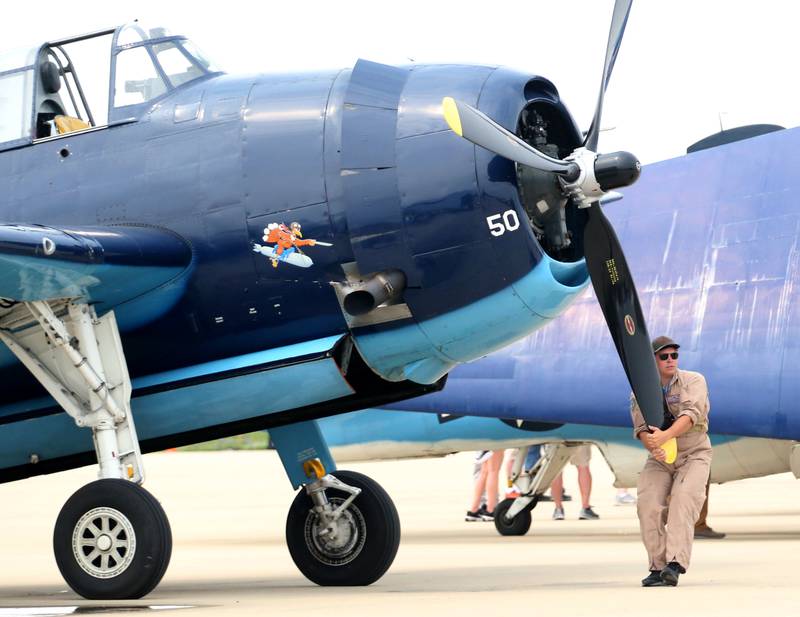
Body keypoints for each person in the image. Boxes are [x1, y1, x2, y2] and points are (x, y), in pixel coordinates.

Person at [632, 335, 712, 587]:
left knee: (683, 499)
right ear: (652, 360)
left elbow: (691, 414)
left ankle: (674, 564)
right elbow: (641, 427)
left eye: (674, 355)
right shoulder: (641, 391)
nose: (670, 360)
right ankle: (657, 567)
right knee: (648, 503)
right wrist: (652, 445)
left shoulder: (693, 380)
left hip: (693, 451)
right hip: (661, 456)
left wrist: (664, 436)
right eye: (663, 356)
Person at [551, 445, 599, 520]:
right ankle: (585, 508)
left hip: (554, 435)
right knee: (583, 466)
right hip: (579, 435)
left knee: (556, 470)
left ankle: (558, 509)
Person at [465, 450, 503, 521]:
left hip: (483, 444)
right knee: (493, 471)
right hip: (494, 442)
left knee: (484, 471)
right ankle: (490, 510)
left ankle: (474, 510)